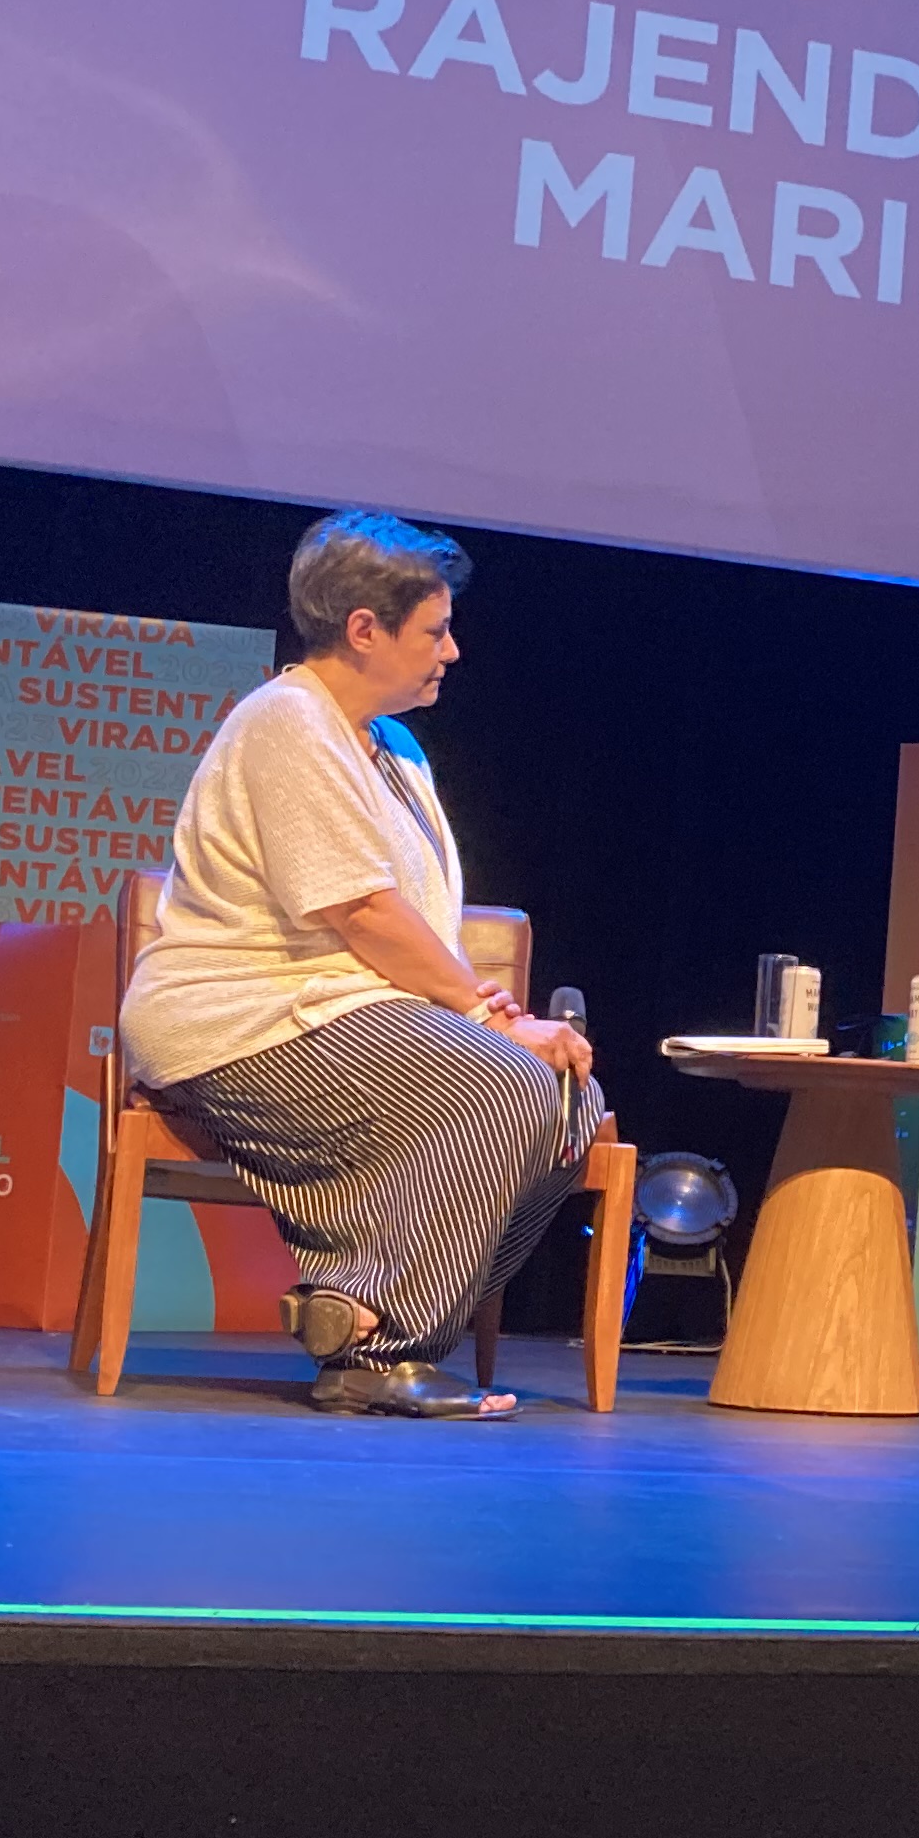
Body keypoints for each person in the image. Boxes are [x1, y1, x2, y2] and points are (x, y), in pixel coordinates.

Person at [118, 510, 601, 1419]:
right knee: (506, 1086)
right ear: (364, 629)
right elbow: (363, 912)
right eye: (435, 630)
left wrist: (486, 1018)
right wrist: (488, 1016)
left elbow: (409, 920)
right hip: (239, 1017)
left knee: (573, 1100)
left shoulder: (394, 746)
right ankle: (374, 1354)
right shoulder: (289, 720)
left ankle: (354, 1295)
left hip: (337, 1012)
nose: (452, 652)